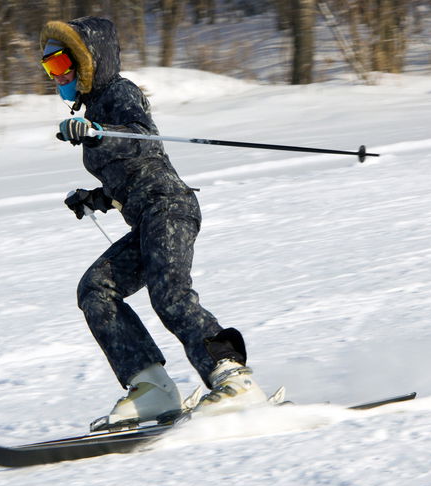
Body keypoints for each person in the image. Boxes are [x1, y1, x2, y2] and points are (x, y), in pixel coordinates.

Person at [40, 17, 266, 429]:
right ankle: (152, 387)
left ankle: (234, 377)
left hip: (170, 208)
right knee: (96, 290)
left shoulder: (119, 93)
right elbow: (129, 175)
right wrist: (96, 197)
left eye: (61, 65)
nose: (58, 77)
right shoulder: (93, 109)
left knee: (169, 294)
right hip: (145, 217)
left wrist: (98, 133)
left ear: (88, 61)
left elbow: (141, 135)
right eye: (49, 69)